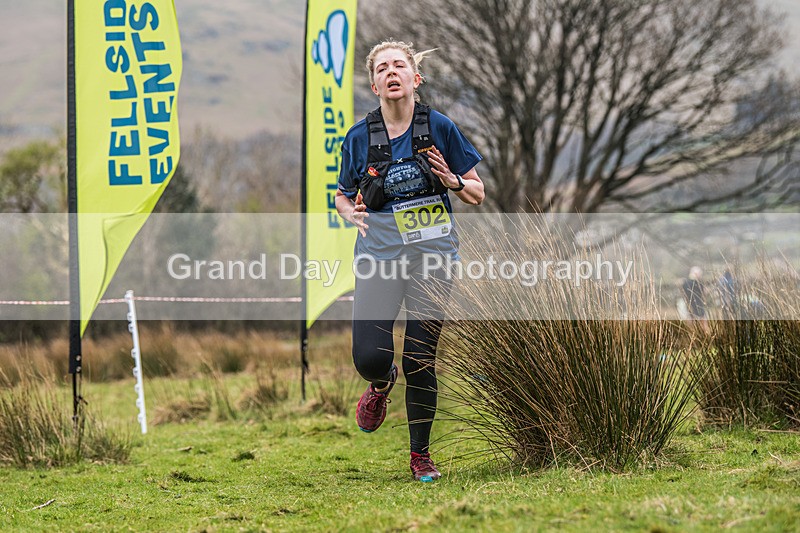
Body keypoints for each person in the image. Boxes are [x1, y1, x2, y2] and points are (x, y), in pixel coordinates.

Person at [335, 40, 485, 482]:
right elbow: (342, 195)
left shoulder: (439, 127)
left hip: (433, 258)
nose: (392, 72)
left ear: (415, 79)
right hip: (380, 258)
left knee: (421, 357)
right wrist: (351, 212)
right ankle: (381, 383)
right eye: (382, 68)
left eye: (399, 65)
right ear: (375, 83)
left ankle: (421, 455)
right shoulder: (359, 137)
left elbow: (477, 192)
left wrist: (453, 180)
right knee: (368, 357)